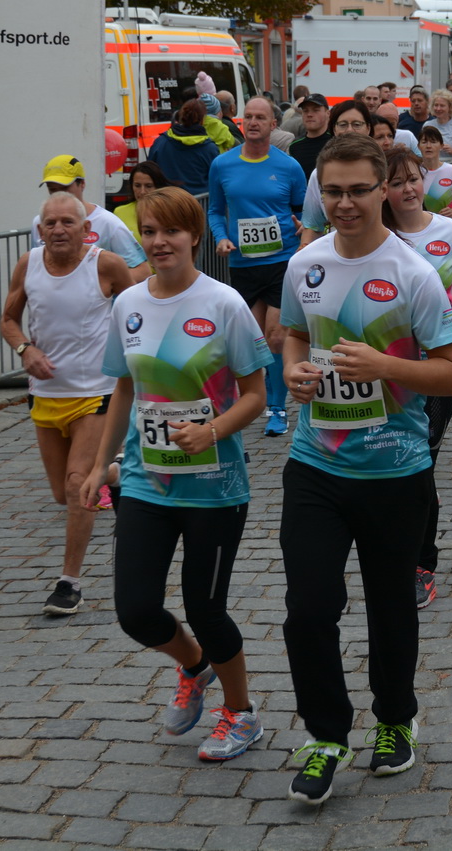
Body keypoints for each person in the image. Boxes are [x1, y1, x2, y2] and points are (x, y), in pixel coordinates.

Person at [278, 134, 452, 804]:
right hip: (316, 464)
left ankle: (394, 717)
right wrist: (295, 369)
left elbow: (451, 374)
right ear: (319, 192)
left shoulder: (413, 272)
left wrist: (384, 367)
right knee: (308, 608)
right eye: (333, 191)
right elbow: (295, 332)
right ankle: (326, 733)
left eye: (359, 189)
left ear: (385, 186)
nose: (346, 203)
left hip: (394, 468)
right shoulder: (305, 263)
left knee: (390, 608)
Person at [80, 186, 273, 764]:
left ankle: (241, 715)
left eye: (171, 231)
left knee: (205, 607)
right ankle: (194, 666)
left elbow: (256, 396)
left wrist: (211, 430)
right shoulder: (129, 304)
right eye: (150, 230)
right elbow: (123, 387)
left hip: (214, 486)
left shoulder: (224, 304)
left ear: (193, 237)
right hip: (146, 478)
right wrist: (98, 465)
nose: (159, 242)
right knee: (135, 609)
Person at [0, 192, 136, 613]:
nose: (58, 230)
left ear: (85, 229)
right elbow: (8, 319)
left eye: (67, 222)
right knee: (63, 492)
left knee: (78, 487)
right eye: (50, 223)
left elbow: (138, 310)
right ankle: (115, 475)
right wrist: (25, 350)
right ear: (40, 230)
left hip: (96, 393)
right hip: (46, 396)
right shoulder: (29, 265)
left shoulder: (106, 265)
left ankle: (69, 583)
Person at [382, 146, 452, 608]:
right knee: (392, 461)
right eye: (396, 182)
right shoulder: (374, 237)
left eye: (413, 179)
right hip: (384, 370)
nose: (407, 189)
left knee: (422, 461)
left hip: (438, 369)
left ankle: (422, 563)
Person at [208, 94, 308, 439]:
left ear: (272, 125)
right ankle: (253, 398)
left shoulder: (288, 166)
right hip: (242, 263)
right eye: (247, 117)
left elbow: (303, 210)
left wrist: (301, 225)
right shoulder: (222, 165)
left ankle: (277, 409)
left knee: (277, 337)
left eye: (259, 118)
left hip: (282, 261)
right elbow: (214, 210)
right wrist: (221, 237)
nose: (252, 122)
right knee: (251, 341)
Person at [34, 155, 151, 283]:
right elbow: (37, 268)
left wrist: (100, 284)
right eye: (53, 190)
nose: (60, 195)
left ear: (82, 184)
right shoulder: (39, 223)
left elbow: (143, 271)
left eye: (65, 189)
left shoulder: (108, 222)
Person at [299, 100, 374, 246]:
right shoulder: (319, 174)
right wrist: (304, 251)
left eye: (357, 125)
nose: (350, 130)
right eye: (343, 125)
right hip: (335, 256)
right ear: (334, 129)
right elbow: (313, 226)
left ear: (368, 128)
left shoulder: (384, 169)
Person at [148, 100, 222, 196]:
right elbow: (218, 179)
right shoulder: (209, 148)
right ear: (203, 120)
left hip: (166, 203)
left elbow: (149, 172)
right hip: (199, 206)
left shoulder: (160, 142)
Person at [113, 161, 171, 239]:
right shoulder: (119, 212)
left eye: (148, 186)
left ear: (158, 186)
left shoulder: (170, 211)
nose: (142, 191)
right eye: (137, 185)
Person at [288, 93, 333, 178]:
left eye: (315, 110)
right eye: (305, 110)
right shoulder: (294, 146)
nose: (309, 114)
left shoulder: (336, 141)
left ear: (328, 113)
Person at [418, 125, 452, 213]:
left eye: (433, 142)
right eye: (424, 142)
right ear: (418, 146)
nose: (428, 146)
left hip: (447, 224)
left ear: (441, 146)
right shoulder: (414, 172)